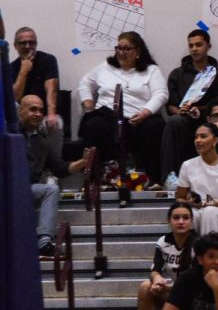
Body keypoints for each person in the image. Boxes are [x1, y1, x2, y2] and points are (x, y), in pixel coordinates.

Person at [78, 31, 167, 186]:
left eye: (127, 48)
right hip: (108, 116)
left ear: (138, 51)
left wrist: (145, 113)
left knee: (156, 126)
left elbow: (161, 94)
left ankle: (151, 179)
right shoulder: (105, 67)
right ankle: (97, 179)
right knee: (93, 124)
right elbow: (85, 83)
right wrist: (88, 103)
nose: (121, 52)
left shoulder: (151, 70)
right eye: (119, 48)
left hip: (139, 118)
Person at [160, 29, 218, 184]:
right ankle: (170, 177)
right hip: (183, 120)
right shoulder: (177, 74)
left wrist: (200, 110)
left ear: (208, 46)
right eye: (191, 45)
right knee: (173, 122)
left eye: (199, 45)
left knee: (217, 125)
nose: (194, 49)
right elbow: (170, 105)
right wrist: (180, 111)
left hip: (208, 119)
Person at [18, 94, 85, 258]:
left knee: (51, 189)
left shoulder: (41, 141)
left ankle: (44, 243)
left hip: (27, 189)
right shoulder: (8, 134)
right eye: (33, 109)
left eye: (41, 111)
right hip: (7, 187)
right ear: (20, 111)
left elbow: (59, 168)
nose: (38, 114)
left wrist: (83, 162)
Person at [129, 201, 195, 310]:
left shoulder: (198, 244)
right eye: (176, 217)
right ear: (169, 221)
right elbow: (155, 269)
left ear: (191, 221)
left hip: (193, 298)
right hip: (174, 294)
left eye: (185, 218)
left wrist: (167, 288)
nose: (181, 222)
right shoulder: (163, 242)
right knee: (145, 287)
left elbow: (194, 283)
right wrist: (157, 279)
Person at [174, 121, 218, 234]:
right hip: (197, 210)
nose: (198, 140)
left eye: (203, 136)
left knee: (209, 212)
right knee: (188, 215)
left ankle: (209, 244)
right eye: (196, 137)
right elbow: (180, 198)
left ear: (215, 140)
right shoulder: (187, 165)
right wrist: (190, 203)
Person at [11, 27, 61, 148]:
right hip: (22, 116)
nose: (28, 46)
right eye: (23, 43)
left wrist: (51, 114)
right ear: (15, 46)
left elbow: (51, 89)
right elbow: (15, 99)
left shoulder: (48, 60)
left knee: (56, 123)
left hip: (43, 112)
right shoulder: (11, 67)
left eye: (32, 42)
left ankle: (53, 159)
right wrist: (24, 71)